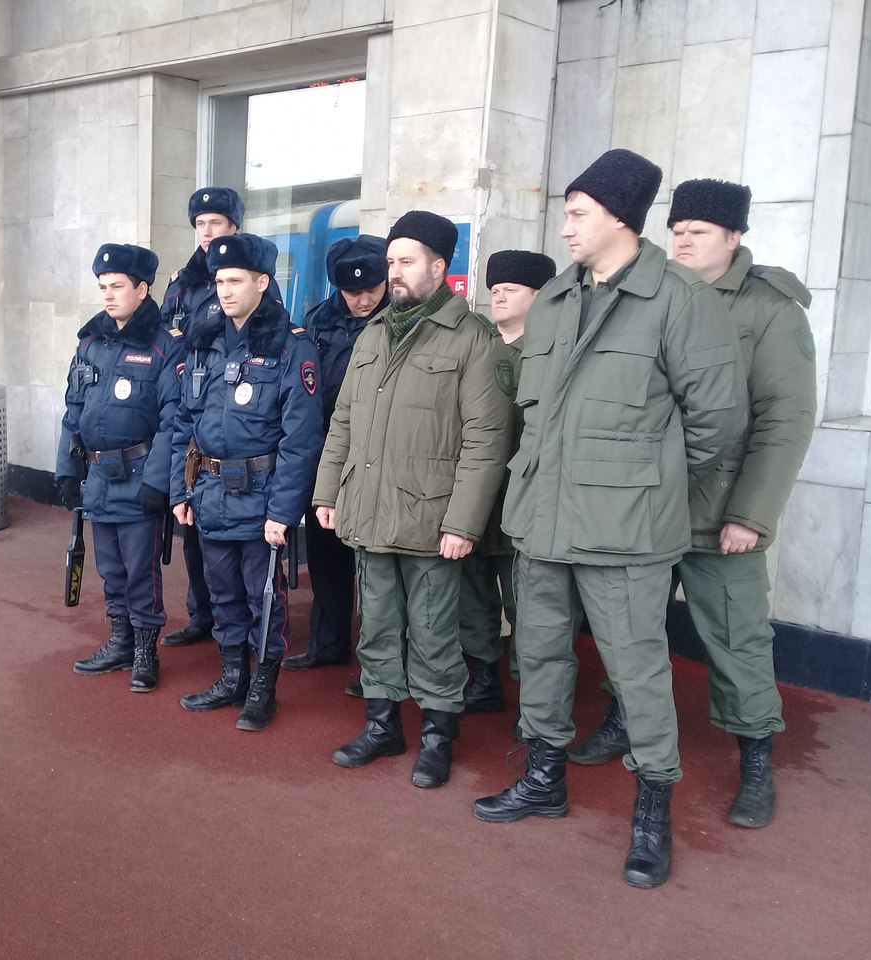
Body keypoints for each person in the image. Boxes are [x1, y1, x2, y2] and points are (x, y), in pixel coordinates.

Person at [472, 149, 745, 889]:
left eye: (577, 214)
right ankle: (544, 778)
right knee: (542, 656)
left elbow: (717, 423)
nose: (565, 228)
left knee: (638, 672)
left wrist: (648, 487)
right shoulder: (557, 299)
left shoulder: (681, 300)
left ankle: (651, 810)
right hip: (545, 520)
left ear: (620, 217)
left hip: (626, 531)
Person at [570, 179, 816, 830]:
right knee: (630, 631)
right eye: (677, 229)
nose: (682, 239)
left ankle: (756, 760)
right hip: (641, 508)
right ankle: (625, 720)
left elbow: (784, 420)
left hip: (719, 512)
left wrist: (752, 515)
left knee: (737, 641)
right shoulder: (646, 292)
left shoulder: (768, 308)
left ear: (735, 238)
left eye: (699, 232)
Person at [312, 210, 514, 789]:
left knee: (432, 632)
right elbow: (343, 421)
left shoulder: (473, 339)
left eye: (404, 261)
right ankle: (382, 726)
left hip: (432, 521)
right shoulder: (375, 333)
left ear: (438, 267)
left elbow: (486, 441)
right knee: (375, 625)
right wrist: (328, 492)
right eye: (390, 261)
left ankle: (436, 737)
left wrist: (464, 523)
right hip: (369, 510)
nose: (391, 272)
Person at [169, 233, 322, 731]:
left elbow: (301, 441)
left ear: (262, 281)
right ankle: (232, 677)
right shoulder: (203, 344)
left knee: (264, 598)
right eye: (218, 281)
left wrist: (283, 512)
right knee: (222, 594)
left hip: (260, 501)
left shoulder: (290, 348)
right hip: (210, 494)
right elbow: (182, 424)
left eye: (235, 280)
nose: (225, 290)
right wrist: (180, 490)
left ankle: (262, 687)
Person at [159, 186, 284, 649]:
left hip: (250, 460)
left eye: (216, 223)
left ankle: (258, 671)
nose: (207, 232)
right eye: (201, 224)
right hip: (201, 441)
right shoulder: (182, 285)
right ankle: (208, 626)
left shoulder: (255, 286)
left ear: (234, 225)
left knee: (255, 582)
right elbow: (173, 344)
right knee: (206, 554)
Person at [57, 243, 185, 692]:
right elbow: (73, 410)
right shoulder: (90, 344)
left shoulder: (165, 347)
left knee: (140, 570)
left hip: (138, 480)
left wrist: (158, 482)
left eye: (117, 287)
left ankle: (147, 652)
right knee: (110, 568)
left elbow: (173, 420)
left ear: (142, 288)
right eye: (103, 287)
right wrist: (66, 471)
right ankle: (120, 643)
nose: (108, 296)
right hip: (97, 478)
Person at [281, 235, 388, 672]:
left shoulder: (401, 318)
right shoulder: (317, 321)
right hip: (326, 452)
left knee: (379, 567)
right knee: (326, 556)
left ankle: (381, 663)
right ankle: (327, 644)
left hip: (379, 454)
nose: (363, 300)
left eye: (371, 289)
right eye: (351, 292)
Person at [458, 250, 556, 720]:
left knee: (529, 607)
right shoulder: (478, 347)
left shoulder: (554, 349)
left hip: (527, 501)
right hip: (479, 498)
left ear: (538, 296)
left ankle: (532, 704)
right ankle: (482, 678)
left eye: (511, 289)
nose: (498, 296)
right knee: (473, 594)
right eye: (494, 289)